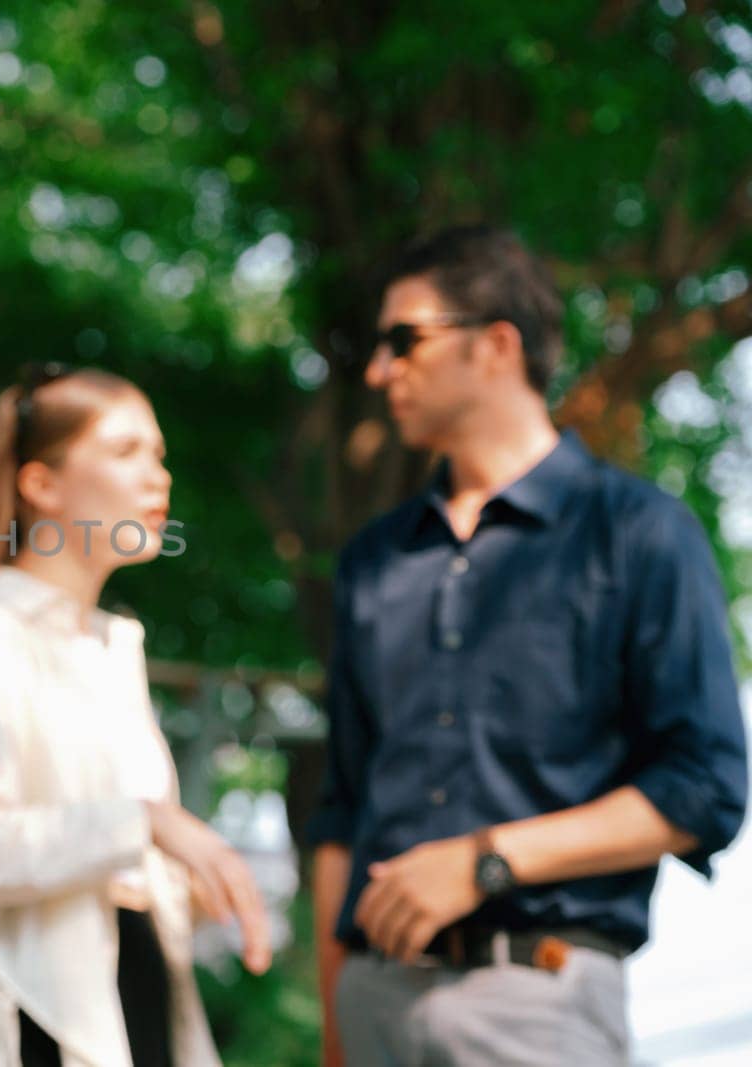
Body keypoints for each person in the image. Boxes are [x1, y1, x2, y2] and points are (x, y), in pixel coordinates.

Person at [308, 225, 749, 1066]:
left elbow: (705, 787)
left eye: (405, 340)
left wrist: (484, 861)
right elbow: (343, 809)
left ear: (496, 344)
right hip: (369, 998)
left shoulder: (640, 534)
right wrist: (334, 1028)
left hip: (536, 1001)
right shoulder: (373, 559)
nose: (378, 370)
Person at [0, 364, 272, 1067]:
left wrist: (192, 884)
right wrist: (146, 821)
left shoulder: (110, 647)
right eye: (125, 452)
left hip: (133, 1020)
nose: (158, 477)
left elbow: (105, 873)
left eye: (159, 453)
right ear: (41, 483)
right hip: (33, 1035)